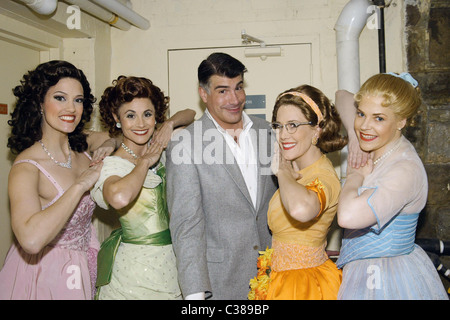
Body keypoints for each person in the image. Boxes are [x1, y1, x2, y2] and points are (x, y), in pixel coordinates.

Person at [0, 60, 117, 300]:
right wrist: (80, 185)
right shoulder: (27, 167)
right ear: (40, 103)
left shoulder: (81, 144)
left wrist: (110, 143)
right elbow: (31, 241)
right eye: (60, 98)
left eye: (78, 100)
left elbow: (124, 134)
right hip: (45, 274)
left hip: (83, 262)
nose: (71, 108)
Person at [165, 52, 278, 300]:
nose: (235, 99)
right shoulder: (185, 144)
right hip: (220, 285)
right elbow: (187, 227)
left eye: (238, 87)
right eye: (223, 91)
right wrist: (195, 296)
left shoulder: (268, 132)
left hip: (275, 279)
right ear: (203, 94)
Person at [335, 72, 448, 300]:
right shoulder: (380, 149)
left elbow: (347, 217)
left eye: (379, 118)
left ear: (402, 121)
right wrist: (353, 136)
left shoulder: (405, 169)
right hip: (363, 272)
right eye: (361, 114)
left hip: (389, 279)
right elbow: (342, 96)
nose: (364, 126)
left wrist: (355, 176)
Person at [90, 75, 195, 299]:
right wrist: (145, 161)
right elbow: (119, 197)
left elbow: (191, 114)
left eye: (147, 114)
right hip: (134, 272)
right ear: (116, 118)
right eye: (130, 115)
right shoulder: (113, 164)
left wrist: (169, 124)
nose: (141, 123)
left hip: (172, 262)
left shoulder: (158, 144)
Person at [248, 85, 347, 300]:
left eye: (293, 125)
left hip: (305, 287)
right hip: (279, 280)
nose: (283, 135)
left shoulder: (324, 175)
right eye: (279, 126)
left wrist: (282, 171)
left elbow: (301, 209)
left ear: (317, 129)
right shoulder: (299, 170)